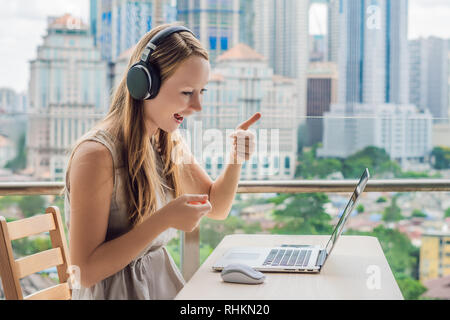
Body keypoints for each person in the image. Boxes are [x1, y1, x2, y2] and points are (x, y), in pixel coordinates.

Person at [64, 22, 261, 300]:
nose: (196, 108)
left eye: (201, 92)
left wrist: (236, 159)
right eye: (186, 93)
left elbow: (215, 207)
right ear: (143, 84)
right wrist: (164, 219)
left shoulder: (168, 141)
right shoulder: (96, 156)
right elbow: (83, 272)